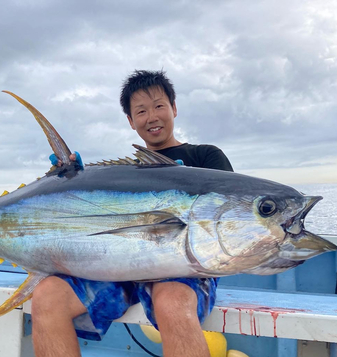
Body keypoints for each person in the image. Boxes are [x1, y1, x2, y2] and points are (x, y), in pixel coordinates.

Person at [32, 70, 233, 357]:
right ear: (131, 121)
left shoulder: (205, 157)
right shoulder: (127, 173)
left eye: (159, 106)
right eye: (141, 111)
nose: (152, 117)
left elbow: (227, 219)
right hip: (122, 267)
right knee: (47, 296)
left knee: (171, 302)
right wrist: (72, 179)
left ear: (174, 108)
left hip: (185, 266)